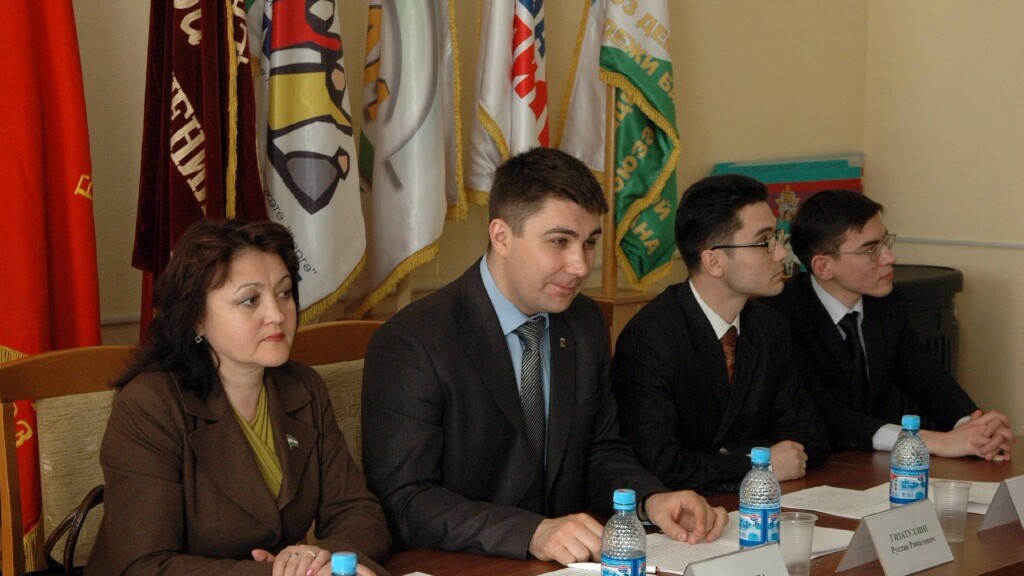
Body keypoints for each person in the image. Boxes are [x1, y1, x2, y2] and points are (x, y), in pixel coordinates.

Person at [361, 148, 728, 565]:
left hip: (569, 562)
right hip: (459, 564)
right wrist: (532, 533)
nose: (580, 266)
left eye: (589, 243)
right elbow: (405, 500)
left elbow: (600, 451)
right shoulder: (414, 340)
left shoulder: (584, 322)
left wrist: (649, 500)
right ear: (501, 236)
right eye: (559, 242)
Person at [87, 220, 391, 576]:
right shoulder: (150, 405)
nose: (277, 315)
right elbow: (145, 566)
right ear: (197, 318)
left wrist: (319, 559)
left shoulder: (303, 387)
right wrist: (281, 574)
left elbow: (358, 512)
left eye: (284, 293)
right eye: (250, 300)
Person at [611, 174, 830, 492]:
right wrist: (760, 463)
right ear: (713, 261)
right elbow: (659, 464)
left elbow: (811, 436)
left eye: (777, 238)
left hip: (758, 503)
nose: (781, 254)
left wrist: (723, 460)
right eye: (764, 242)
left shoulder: (770, 326)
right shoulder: (651, 337)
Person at [765, 190, 1014, 459]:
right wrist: (936, 442)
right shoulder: (781, 317)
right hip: (812, 464)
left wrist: (974, 427)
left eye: (886, 242)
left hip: (871, 464)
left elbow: (929, 380)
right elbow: (826, 416)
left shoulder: (886, 303)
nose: (889, 258)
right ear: (824, 266)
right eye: (871, 249)